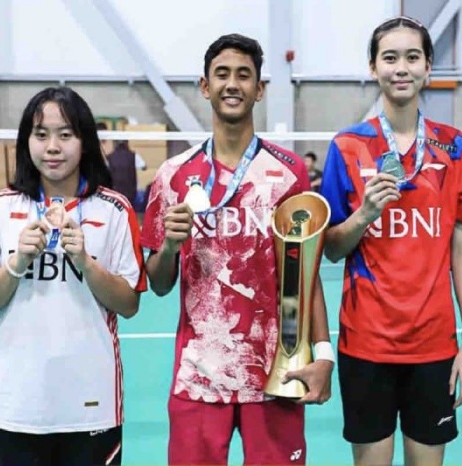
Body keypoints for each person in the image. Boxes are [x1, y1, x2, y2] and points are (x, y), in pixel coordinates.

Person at [140, 33, 333, 466]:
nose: (232, 84)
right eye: (222, 74)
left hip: (278, 371)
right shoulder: (173, 175)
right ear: (205, 86)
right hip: (199, 374)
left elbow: (306, 271)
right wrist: (169, 246)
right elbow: (158, 283)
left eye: (244, 75)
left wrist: (323, 354)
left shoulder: (288, 173)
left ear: (259, 89)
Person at [319, 16, 462, 466]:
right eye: (390, 57)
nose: (401, 68)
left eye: (412, 57)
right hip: (365, 344)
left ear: (428, 66)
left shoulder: (454, 146)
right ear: (373, 67)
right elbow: (331, 247)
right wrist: (365, 215)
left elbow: (461, 243)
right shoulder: (347, 146)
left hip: (434, 345)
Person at [0, 86, 146, 466]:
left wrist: (86, 263)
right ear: (26, 141)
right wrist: (16, 264)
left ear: (84, 142)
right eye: (41, 134)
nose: (52, 147)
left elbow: (129, 303)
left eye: (65, 134)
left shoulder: (114, 210)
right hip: (15, 407)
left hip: (91, 406)